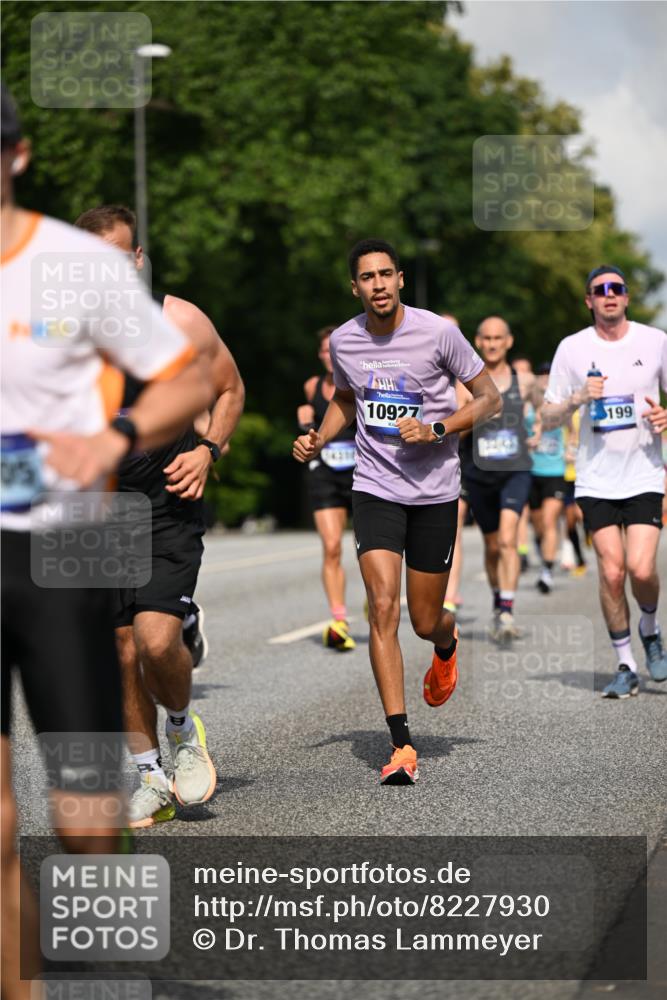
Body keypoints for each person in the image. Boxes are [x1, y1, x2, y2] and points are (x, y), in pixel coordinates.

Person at [1, 85, 212, 1000]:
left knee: (86, 814)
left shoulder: (73, 264)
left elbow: (186, 377)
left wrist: (116, 439)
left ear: (17, 156)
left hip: (61, 550)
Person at [293, 239, 499, 784]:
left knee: (424, 618)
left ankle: (446, 644)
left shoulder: (438, 332)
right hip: (376, 487)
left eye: (387, 275)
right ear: (354, 286)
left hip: (434, 491)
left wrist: (438, 428)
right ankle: (401, 743)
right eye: (368, 277)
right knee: (383, 607)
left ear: (401, 279)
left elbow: (489, 398)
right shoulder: (345, 339)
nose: (378, 285)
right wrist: (319, 437)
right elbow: (345, 397)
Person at [75, 204, 245, 827]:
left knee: (152, 642)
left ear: (139, 259)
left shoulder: (180, 321)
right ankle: (150, 779)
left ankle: (183, 730)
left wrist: (207, 449)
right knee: (117, 654)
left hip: (167, 501)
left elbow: (230, 389)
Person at [542, 265, 667, 697]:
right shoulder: (572, 349)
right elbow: (548, 414)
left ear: (627, 297)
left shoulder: (655, 342)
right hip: (595, 480)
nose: (609, 295)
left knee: (641, 567)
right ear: (589, 300)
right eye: (600, 290)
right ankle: (626, 663)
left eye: (617, 288)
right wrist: (578, 397)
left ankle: (649, 628)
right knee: (612, 573)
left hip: (645, 472)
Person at [460, 317, 537, 642]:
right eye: (487, 338)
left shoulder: (527, 380)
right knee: (492, 546)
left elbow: (546, 410)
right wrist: (478, 414)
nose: (492, 344)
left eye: (498, 338)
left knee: (508, 539)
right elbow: (455, 424)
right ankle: (498, 602)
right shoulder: (465, 383)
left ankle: (507, 609)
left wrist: (540, 431)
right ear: (478, 341)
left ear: (509, 341)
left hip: (515, 471)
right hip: (478, 474)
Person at [297, 325, 357, 651]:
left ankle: (377, 603)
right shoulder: (312, 387)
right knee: (332, 546)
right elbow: (310, 432)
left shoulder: (363, 381)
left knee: (369, 551)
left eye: (335, 349)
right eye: (324, 350)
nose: (329, 355)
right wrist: (305, 424)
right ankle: (339, 619)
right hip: (325, 473)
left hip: (363, 472)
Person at [525, 362, 567, 594]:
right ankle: (543, 550)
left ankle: (547, 572)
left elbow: (574, 428)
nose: (545, 378)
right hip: (531, 472)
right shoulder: (527, 406)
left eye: (549, 374)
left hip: (555, 471)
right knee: (539, 524)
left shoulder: (561, 404)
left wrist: (572, 448)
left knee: (550, 521)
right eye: (541, 374)